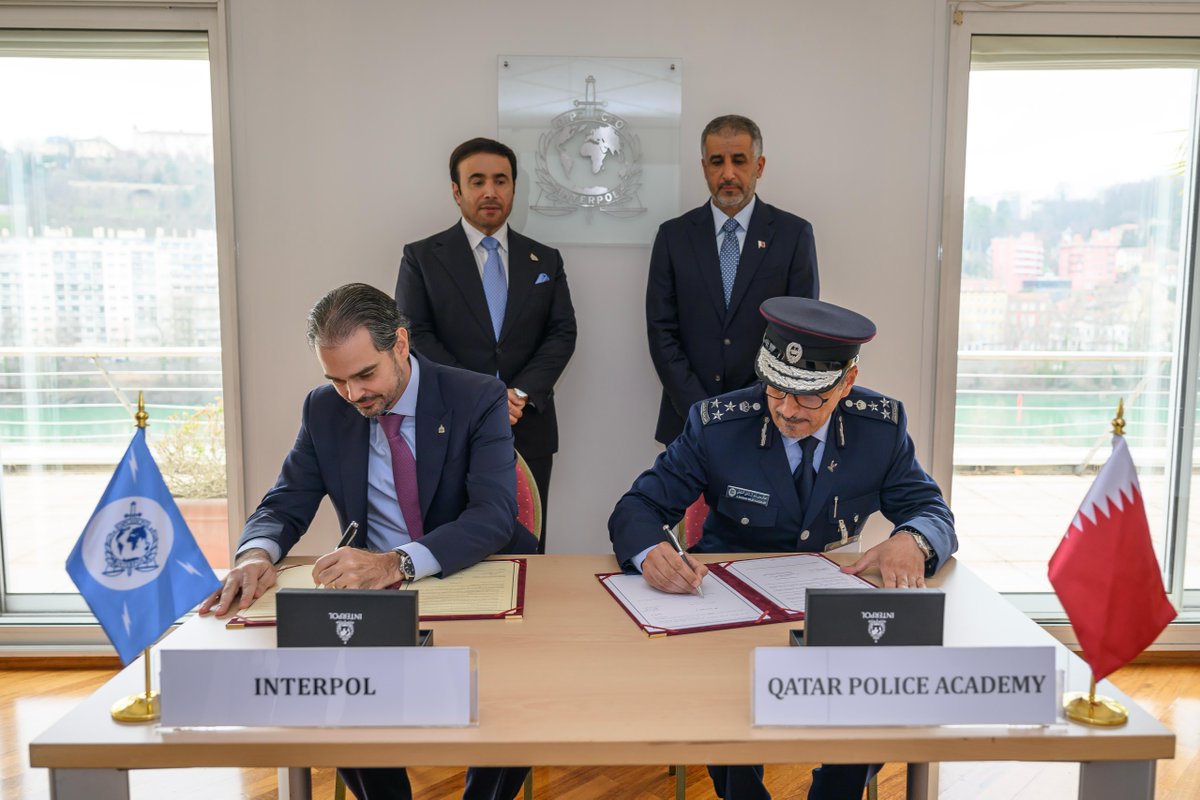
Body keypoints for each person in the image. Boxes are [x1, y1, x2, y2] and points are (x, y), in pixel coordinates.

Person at [610, 296, 956, 800]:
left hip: (832, 608)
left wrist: (913, 539)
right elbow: (637, 506)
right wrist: (650, 553)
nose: (788, 410)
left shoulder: (879, 428)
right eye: (777, 389)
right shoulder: (719, 425)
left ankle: (836, 789)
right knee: (722, 700)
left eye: (809, 396)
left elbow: (931, 510)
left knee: (881, 690)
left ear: (847, 383)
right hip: (730, 611)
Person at [201, 282, 532, 800]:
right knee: (331, 696)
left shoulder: (476, 397)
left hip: (473, 572)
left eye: (364, 375)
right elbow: (286, 500)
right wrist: (254, 555)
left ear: (400, 344)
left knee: (516, 701)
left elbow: (493, 515)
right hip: (377, 603)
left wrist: (395, 563)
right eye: (336, 380)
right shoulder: (324, 410)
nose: (353, 395)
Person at [395, 137, 576, 551]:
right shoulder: (422, 257)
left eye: (501, 180)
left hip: (526, 424)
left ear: (515, 188)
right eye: (477, 181)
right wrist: (487, 395)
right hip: (451, 423)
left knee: (527, 545)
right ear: (457, 191)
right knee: (453, 543)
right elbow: (414, 335)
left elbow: (561, 333)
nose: (490, 192)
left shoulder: (545, 260)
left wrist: (518, 393)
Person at [646, 114, 819, 445]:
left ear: (759, 165)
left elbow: (798, 335)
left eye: (739, 161)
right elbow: (661, 332)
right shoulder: (673, 237)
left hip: (767, 419)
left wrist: (749, 407)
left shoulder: (793, 235)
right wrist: (701, 410)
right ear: (704, 168)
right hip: (687, 422)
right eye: (716, 162)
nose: (727, 173)